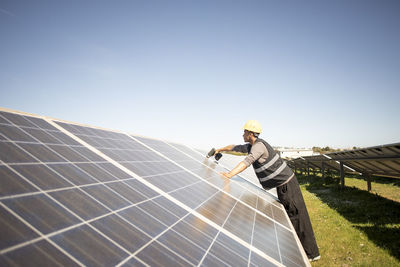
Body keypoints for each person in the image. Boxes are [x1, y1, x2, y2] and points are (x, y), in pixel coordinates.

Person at [213, 120, 320, 262]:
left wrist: (229, 175)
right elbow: (235, 147)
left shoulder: (258, 147)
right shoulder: (251, 145)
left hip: (288, 185)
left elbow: (247, 162)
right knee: (292, 217)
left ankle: (311, 254)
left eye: (244, 132)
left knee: (298, 217)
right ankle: (300, 252)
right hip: (282, 186)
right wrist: (220, 150)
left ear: (250, 133)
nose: (242, 134)